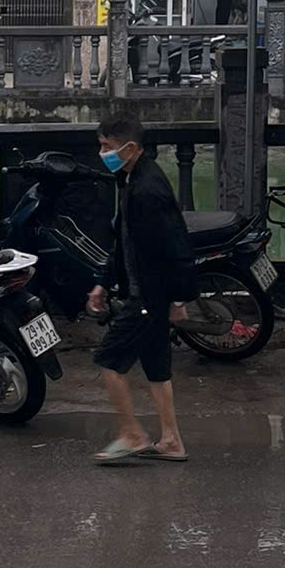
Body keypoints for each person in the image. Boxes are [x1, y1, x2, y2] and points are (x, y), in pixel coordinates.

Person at [87, 105, 197, 464]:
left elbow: (176, 245)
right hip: (147, 292)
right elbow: (124, 243)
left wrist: (178, 299)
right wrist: (103, 283)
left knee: (109, 361)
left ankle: (132, 434)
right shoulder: (132, 179)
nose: (103, 153)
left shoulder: (147, 190)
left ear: (130, 148)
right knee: (156, 368)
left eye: (108, 146)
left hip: (148, 297)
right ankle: (171, 440)